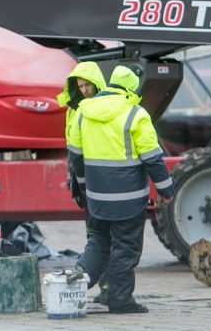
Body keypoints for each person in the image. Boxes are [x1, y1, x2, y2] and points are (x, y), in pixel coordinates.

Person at [69, 64, 175, 314]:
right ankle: (119, 299)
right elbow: (152, 159)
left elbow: (76, 157)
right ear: (132, 89)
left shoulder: (83, 113)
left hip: (96, 197)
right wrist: (166, 191)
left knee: (98, 243)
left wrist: (84, 188)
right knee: (125, 248)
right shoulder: (136, 114)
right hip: (129, 199)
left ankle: (72, 288)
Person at [56, 61, 108, 297]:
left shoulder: (103, 109)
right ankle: (106, 285)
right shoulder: (73, 110)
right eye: (80, 86)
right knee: (95, 233)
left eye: (88, 85)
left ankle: (105, 285)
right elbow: (72, 149)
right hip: (84, 178)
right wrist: (74, 180)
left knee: (104, 236)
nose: (85, 90)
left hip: (98, 178)